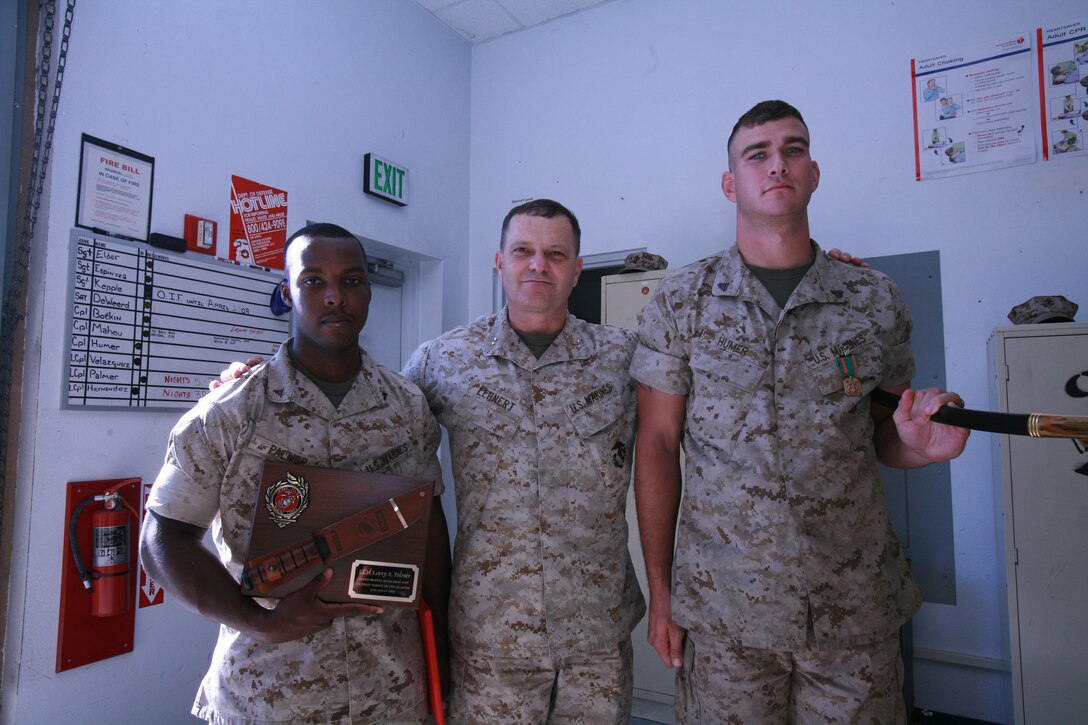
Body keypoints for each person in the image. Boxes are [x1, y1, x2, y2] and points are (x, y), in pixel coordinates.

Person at [631, 100, 969, 723]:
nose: (776, 165)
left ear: (814, 173)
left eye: (793, 149)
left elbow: (885, 435)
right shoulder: (682, 302)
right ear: (730, 183)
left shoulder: (872, 299)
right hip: (726, 612)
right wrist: (661, 592)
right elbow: (657, 444)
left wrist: (921, 447)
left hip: (854, 608)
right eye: (756, 154)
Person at [140, 223, 449, 723]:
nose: (335, 296)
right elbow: (162, 540)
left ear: (369, 291)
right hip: (269, 696)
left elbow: (428, 528)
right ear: (288, 293)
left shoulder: (407, 406)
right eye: (313, 281)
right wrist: (259, 621)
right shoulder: (232, 412)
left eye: (351, 280)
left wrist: (443, 657)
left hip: (390, 691)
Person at [402, 199, 646, 723]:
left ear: (577, 269)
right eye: (523, 251)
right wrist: (252, 380)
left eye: (556, 254)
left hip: (596, 638)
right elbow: (375, 427)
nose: (539, 265)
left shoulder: (624, 358)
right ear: (500, 262)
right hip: (492, 636)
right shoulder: (445, 360)